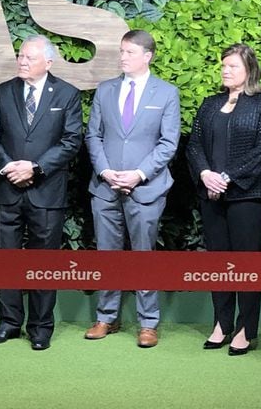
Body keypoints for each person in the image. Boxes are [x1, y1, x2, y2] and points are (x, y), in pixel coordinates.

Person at [0, 34, 82, 351]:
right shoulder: (3, 92)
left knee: (43, 262)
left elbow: (71, 142)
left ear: (48, 62)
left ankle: (40, 327)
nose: (22, 61)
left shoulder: (67, 94)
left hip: (47, 192)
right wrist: (11, 167)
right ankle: (9, 323)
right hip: (7, 190)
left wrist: (35, 168)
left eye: (29, 57)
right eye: (20, 56)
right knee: (6, 261)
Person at [84, 29, 180, 348]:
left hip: (147, 188)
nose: (122, 57)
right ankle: (106, 318)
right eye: (121, 51)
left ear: (147, 56)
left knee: (143, 257)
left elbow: (168, 143)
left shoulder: (166, 93)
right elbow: (93, 136)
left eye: (128, 52)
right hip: (105, 186)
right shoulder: (105, 90)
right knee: (107, 255)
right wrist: (106, 171)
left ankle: (148, 323)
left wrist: (139, 174)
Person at [186, 43, 261, 356]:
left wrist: (225, 178)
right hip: (210, 194)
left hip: (247, 197)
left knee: (245, 264)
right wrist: (205, 175)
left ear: (249, 70)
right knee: (217, 263)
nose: (226, 71)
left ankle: (245, 329)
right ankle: (221, 324)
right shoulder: (210, 103)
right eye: (224, 65)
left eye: (233, 66)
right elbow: (194, 145)